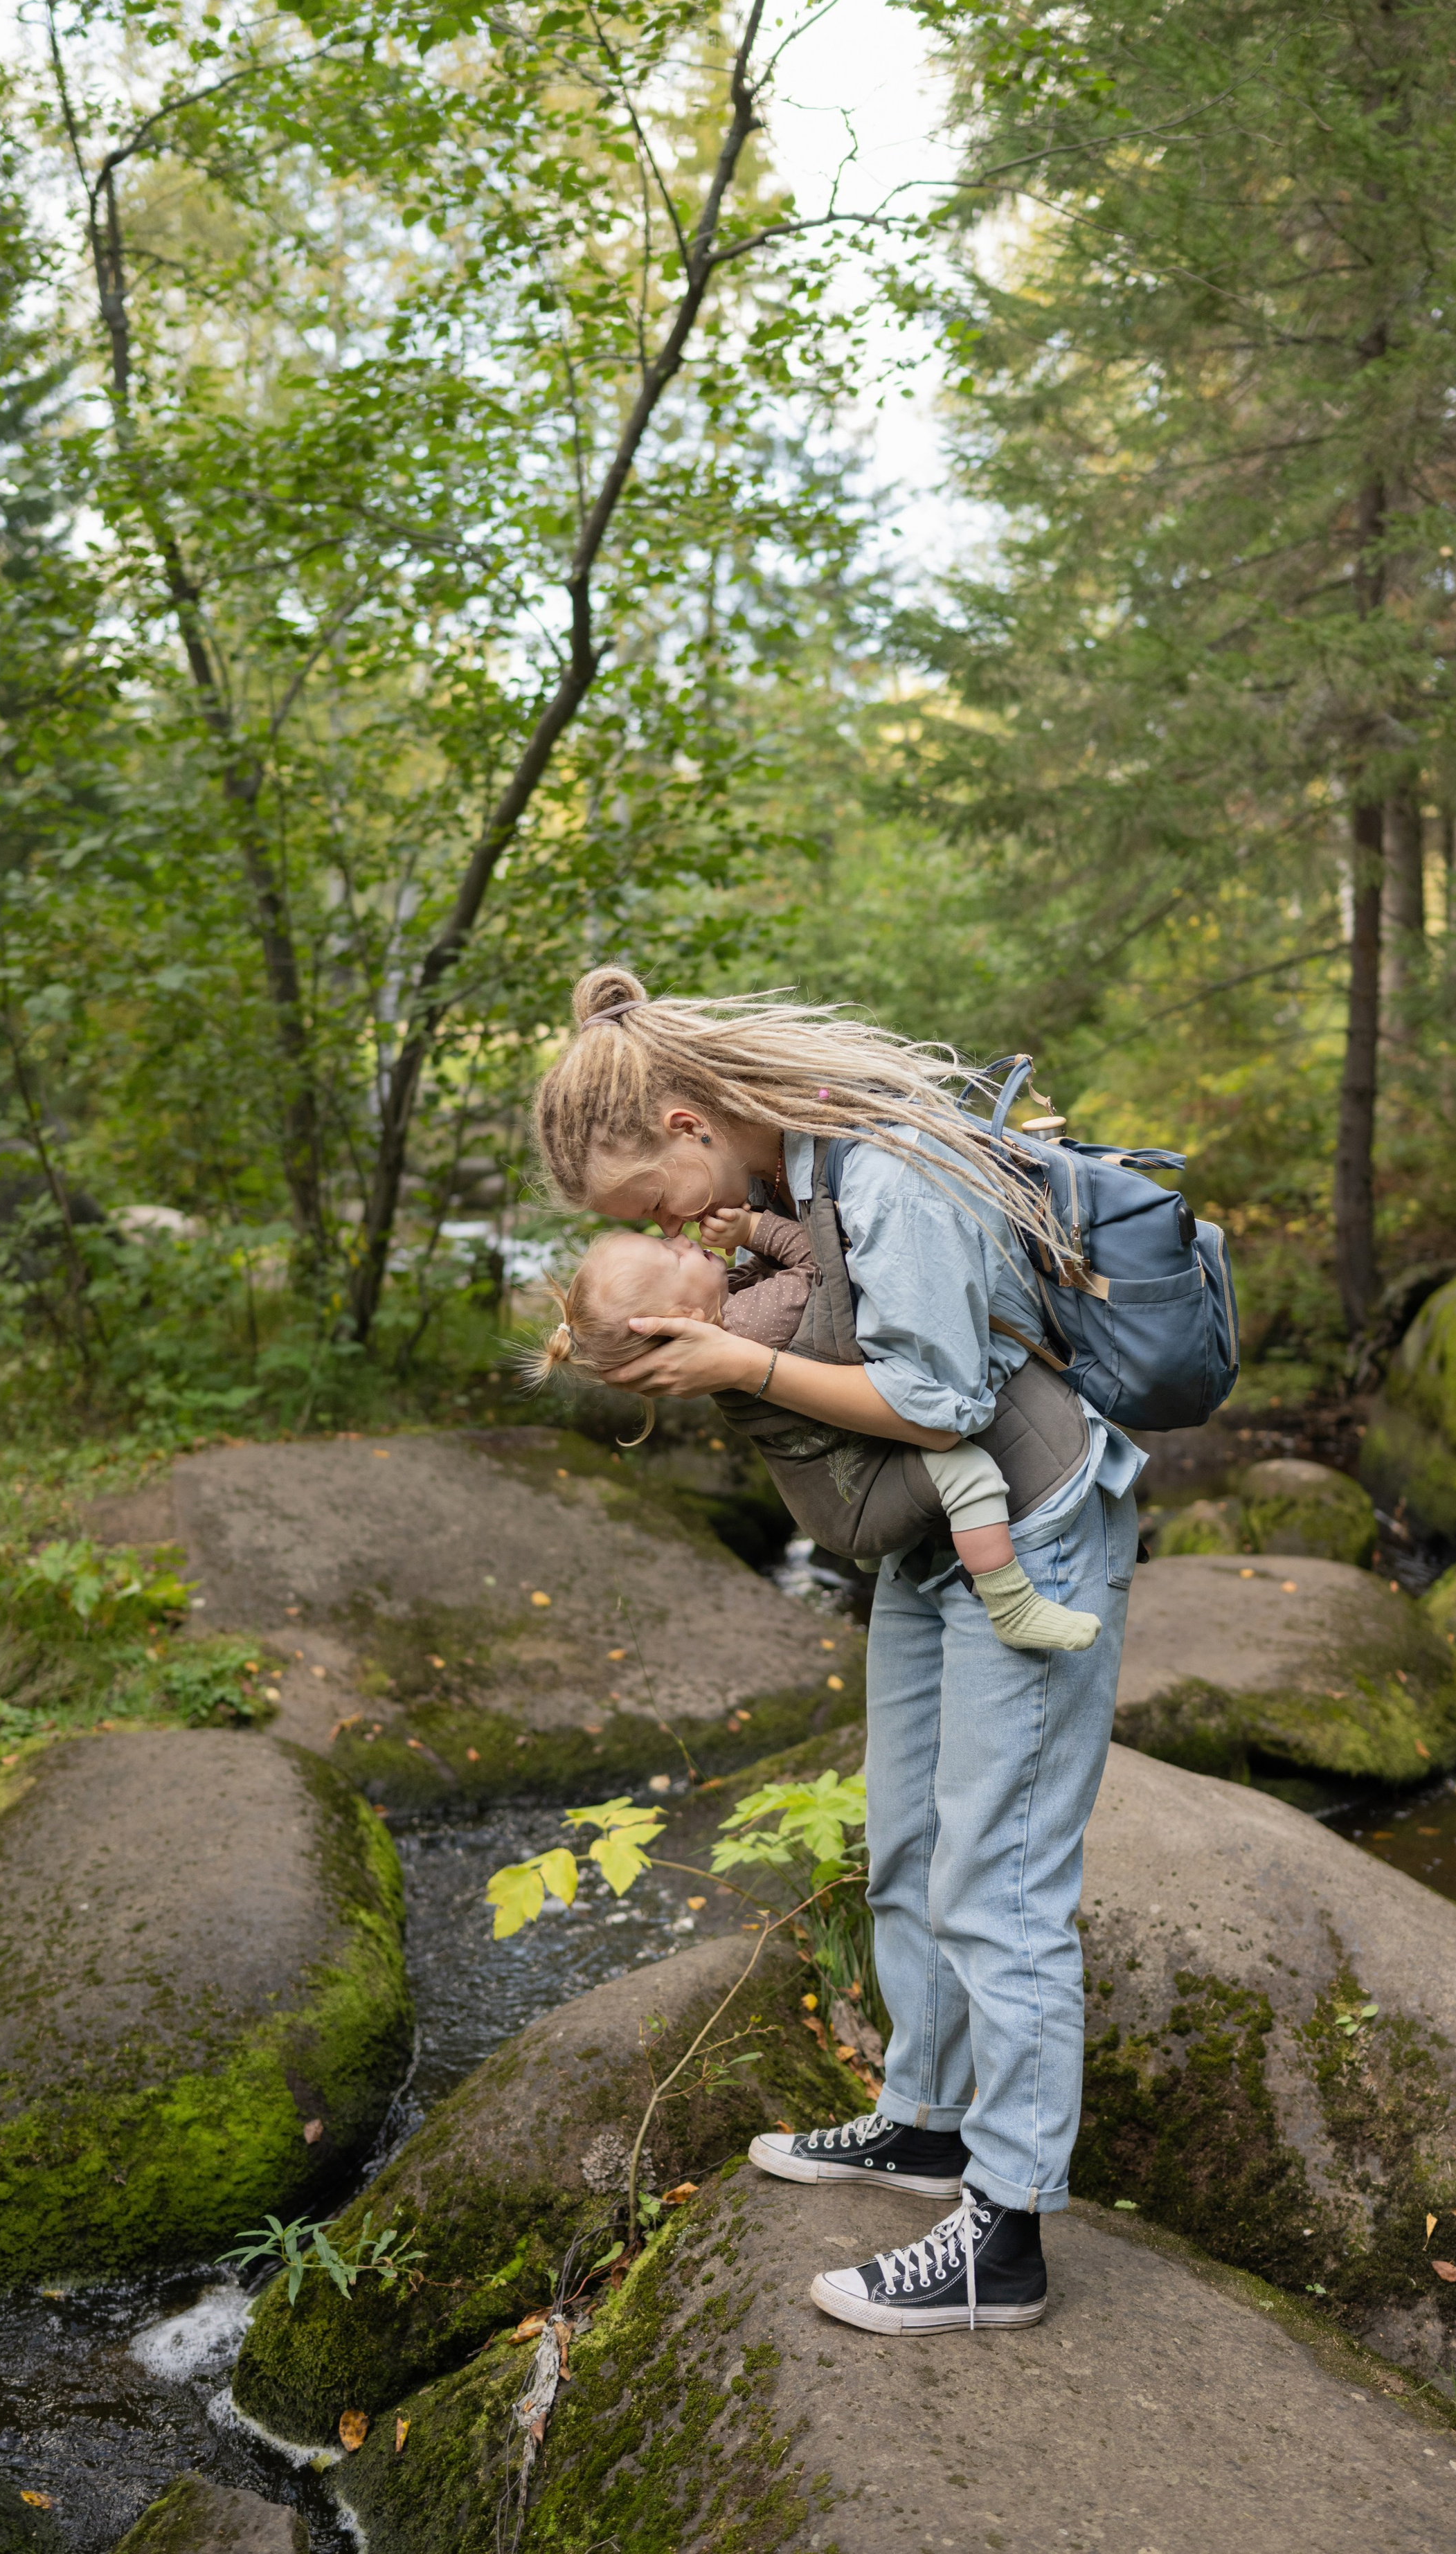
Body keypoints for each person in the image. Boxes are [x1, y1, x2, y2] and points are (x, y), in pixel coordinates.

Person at [532, 966, 1144, 2337]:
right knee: (908, 1838)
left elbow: (937, 1401)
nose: (667, 1232)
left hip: (1021, 1517)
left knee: (999, 1870)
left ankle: (1006, 2234)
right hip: (927, 1538)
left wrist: (734, 1367)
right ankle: (925, 2120)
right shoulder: (784, 1184)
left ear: (689, 1129)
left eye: (647, 1208)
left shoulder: (881, 1170)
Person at [534, 1212, 1101, 1653]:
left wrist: (739, 1247)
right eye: (669, 1252)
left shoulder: (732, 1319)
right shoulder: (750, 1323)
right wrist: (757, 1227)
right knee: (970, 1472)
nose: (679, 1238)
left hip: (834, 1501)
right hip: (855, 1504)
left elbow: (760, 1279)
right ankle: (1013, 1606)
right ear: (685, 1316)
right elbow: (817, 1269)